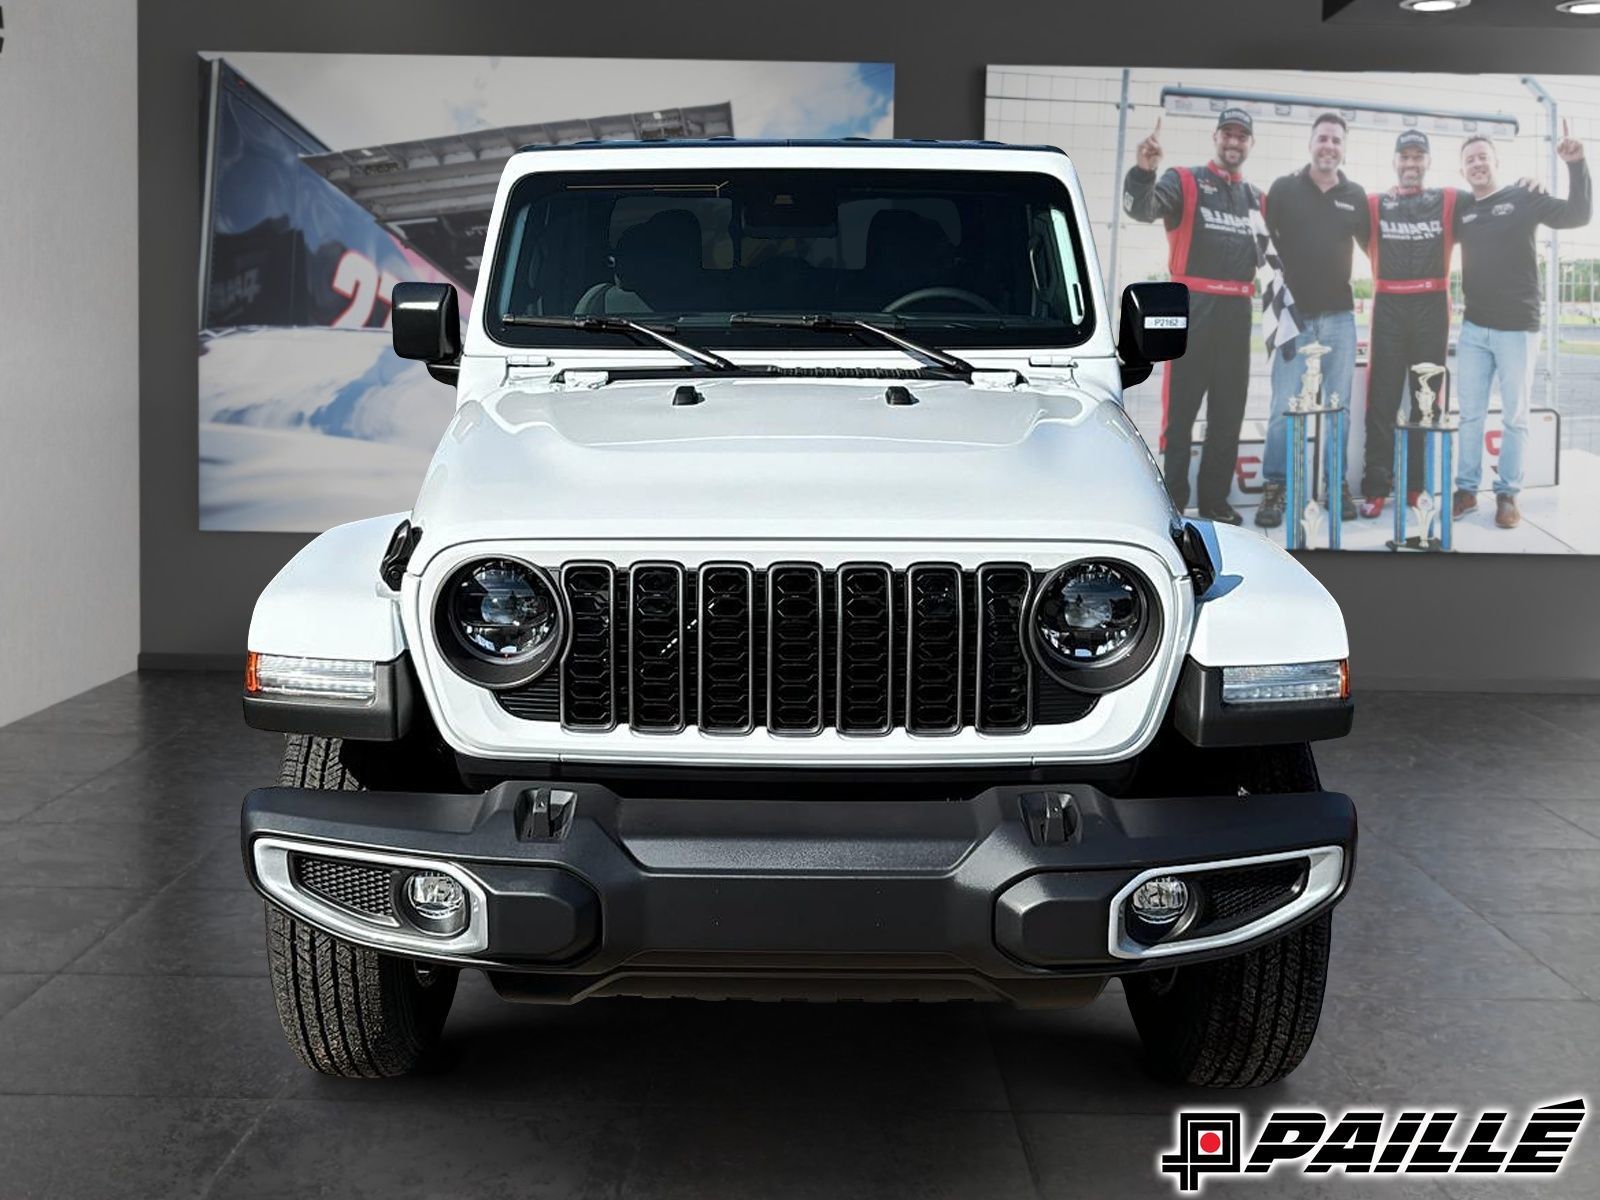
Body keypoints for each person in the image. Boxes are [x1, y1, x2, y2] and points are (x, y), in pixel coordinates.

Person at [1122, 108, 1260, 524]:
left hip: (1239, 313)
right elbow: (1142, 210)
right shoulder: (1184, 179)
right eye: (1228, 134)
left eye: (1242, 136)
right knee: (1180, 414)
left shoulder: (1257, 198)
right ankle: (1174, 503)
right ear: (1216, 137)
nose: (1234, 142)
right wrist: (1144, 171)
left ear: (1249, 144)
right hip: (1195, 307)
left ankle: (1216, 501)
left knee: (1228, 413)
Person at [1451, 125, 1590, 529]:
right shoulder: (1461, 208)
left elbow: (1578, 216)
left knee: (1516, 417)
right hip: (1474, 329)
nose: (1477, 163)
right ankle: (1465, 489)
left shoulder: (1524, 196)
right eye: (1470, 159)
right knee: (1470, 416)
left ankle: (1508, 494)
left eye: (1483, 156)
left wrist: (1576, 164)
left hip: (1518, 329)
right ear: (1463, 170)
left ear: (1496, 162)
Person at [1257, 113, 1371, 529]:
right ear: (1311, 143)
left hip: (1340, 317)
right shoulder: (1285, 189)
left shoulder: (1356, 195)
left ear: (1344, 148)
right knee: (1283, 407)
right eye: (1323, 138)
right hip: (1293, 316)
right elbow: (1261, 247)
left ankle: (1334, 485)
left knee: (1336, 409)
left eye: (1337, 140)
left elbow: (1377, 251)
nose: (1329, 146)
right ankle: (1276, 485)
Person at [1357, 131, 1461, 518]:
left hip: (1432, 307)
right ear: (1395, 161)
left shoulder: (1449, 200)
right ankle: (1376, 486)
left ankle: (1416, 485)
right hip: (1388, 305)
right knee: (1381, 401)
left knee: (1425, 403)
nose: (1412, 164)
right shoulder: (1372, 204)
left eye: (1419, 157)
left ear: (1428, 162)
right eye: (1405, 157)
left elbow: (1489, 206)